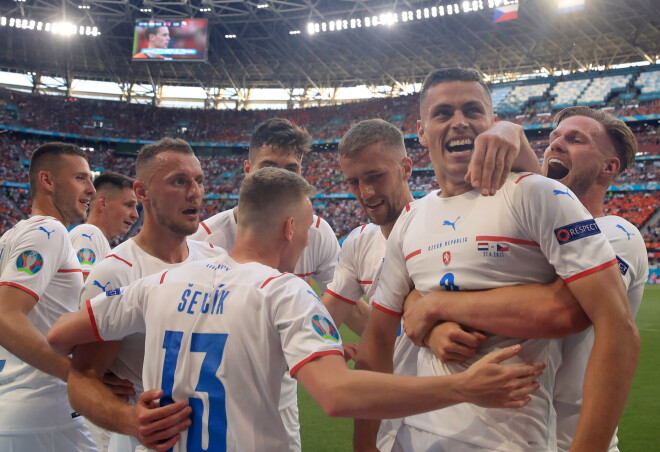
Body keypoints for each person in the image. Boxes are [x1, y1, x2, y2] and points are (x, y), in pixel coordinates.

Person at [48, 167, 546, 452]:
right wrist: (462, 387)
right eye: (307, 228)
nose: (307, 238)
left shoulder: (158, 282)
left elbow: (60, 336)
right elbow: (335, 394)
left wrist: (118, 379)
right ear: (290, 229)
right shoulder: (282, 291)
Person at [354, 68, 639, 452]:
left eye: (473, 110)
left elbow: (608, 323)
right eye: (442, 114)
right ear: (421, 131)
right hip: (416, 440)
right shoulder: (411, 220)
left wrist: (434, 306)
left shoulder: (538, 195)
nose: (459, 122)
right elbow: (377, 340)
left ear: (492, 122)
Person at [323, 117, 541, 451]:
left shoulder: (442, 230)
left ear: (406, 168)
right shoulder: (358, 242)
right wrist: (322, 350)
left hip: (456, 417)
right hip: (389, 419)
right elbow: (328, 317)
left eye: (375, 176)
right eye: (353, 181)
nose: (365, 192)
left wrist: (431, 321)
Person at [190, 117, 340, 451]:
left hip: (282, 391)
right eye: (269, 166)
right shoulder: (206, 239)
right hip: (217, 391)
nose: (282, 177)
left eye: (292, 168)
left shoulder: (317, 232)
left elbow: (342, 300)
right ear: (247, 169)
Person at [67, 138, 224, 452]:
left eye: (199, 181)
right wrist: (129, 419)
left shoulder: (217, 261)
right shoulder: (116, 271)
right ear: (142, 193)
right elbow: (82, 375)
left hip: (214, 435)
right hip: (148, 441)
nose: (195, 192)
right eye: (178, 181)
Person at [0, 142, 97, 451]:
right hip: (43, 413)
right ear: (47, 181)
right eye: (81, 178)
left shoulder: (11, 237)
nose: (91, 189)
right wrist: (78, 377)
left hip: (22, 409)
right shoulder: (49, 232)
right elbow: (5, 316)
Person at [69, 171, 138, 279]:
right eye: (129, 205)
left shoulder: (98, 240)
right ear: (103, 203)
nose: (135, 215)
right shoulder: (88, 233)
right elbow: (84, 291)